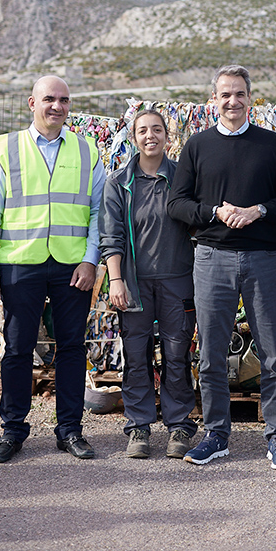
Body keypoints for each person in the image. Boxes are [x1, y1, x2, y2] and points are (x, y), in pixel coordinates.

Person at [167, 65, 276, 468]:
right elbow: (177, 204)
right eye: (225, 94)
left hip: (262, 260)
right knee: (211, 354)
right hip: (211, 259)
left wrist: (258, 211)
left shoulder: (271, 145)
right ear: (214, 100)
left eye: (240, 94)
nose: (232, 101)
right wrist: (215, 211)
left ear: (250, 99)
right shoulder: (197, 146)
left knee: (273, 355)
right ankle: (216, 434)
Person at [0, 75, 104, 463]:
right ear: (32, 103)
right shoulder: (5, 148)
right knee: (16, 349)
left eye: (64, 100)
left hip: (71, 265)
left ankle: (69, 430)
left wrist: (90, 259)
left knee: (71, 349)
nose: (57, 107)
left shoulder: (87, 150)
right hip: (19, 264)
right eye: (49, 99)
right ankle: (13, 430)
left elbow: (99, 212)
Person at [100, 108, 199, 460]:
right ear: (133, 137)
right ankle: (139, 425)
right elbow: (110, 236)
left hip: (177, 281)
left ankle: (179, 426)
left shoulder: (183, 178)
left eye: (157, 129)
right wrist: (116, 280)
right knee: (136, 356)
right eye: (143, 130)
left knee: (176, 354)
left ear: (167, 137)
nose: (150, 136)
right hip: (134, 284)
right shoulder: (119, 182)